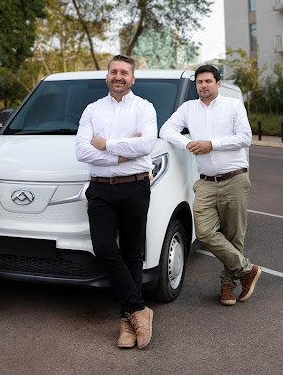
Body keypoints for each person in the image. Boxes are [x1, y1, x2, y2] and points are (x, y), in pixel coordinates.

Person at [160, 64, 261, 306]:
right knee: (204, 232)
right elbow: (166, 129)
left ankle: (227, 285)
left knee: (234, 235)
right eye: (199, 82)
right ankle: (247, 270)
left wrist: (211, 144)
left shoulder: (233, 106)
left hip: (234, 178)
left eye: (208, 81)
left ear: (217, 83)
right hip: (205, 182)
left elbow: (245, 138)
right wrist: (188, 144)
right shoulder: (188, 108)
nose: (203, 85)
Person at [75, 55, 157, 349]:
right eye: (113, 71)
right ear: (107, 76)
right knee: (105, 249)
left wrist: (106, 144)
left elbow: (146, 144)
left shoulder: (144, 108)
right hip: (99, 190)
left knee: (133, 252)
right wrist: (124, 153)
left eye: (124, 72)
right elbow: (81, 151)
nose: (118, 76)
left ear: (132, 78)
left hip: (134, 188)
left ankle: (126, 321)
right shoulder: (92, 109)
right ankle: (138, 309)